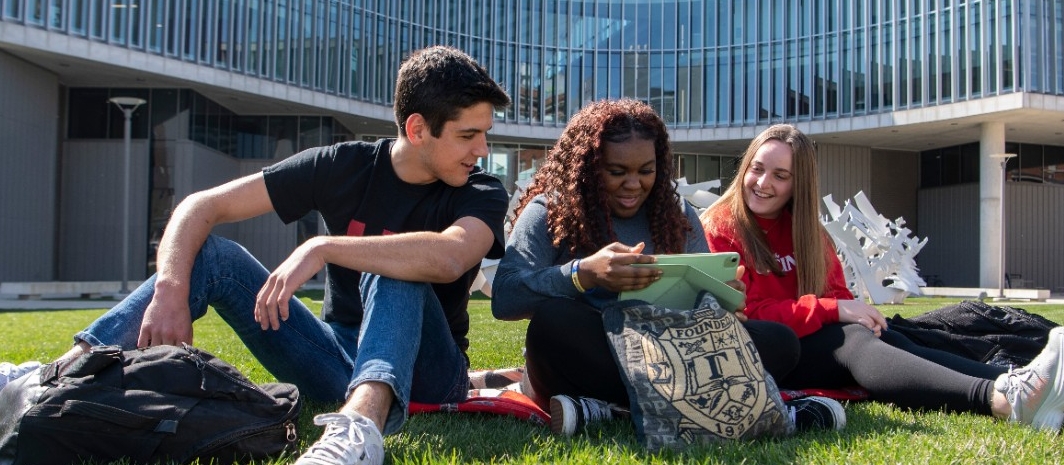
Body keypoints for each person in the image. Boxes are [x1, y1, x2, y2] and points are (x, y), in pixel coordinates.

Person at [51, 46, 512, 465]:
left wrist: (322, 246)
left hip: (431, 373)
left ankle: (361, 432)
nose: (482, 150)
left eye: (485, 134)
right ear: (417, 128)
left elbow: (451, 256)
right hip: (334, 358)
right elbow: (201, 206)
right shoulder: (341, 166)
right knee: (215, 257)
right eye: (468, 134)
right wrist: (171, 288)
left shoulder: (482, 190)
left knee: (395, 265)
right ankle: (64, 373)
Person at [491, 99, 845, 437]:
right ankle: (676, 407)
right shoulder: (549, 211)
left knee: (780, 342)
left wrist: (724, 301)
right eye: (617, 172)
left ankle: (609, 409)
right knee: (552, 323)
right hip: (595, 350)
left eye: (646, 170)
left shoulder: (675, 216)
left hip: (669, 354)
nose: (634, 184)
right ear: (588, 166)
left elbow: (708, 316)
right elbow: (506, 298)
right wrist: (582, 274)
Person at [699, 123, 1064, 430]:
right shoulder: (717, 228)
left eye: (780, 176)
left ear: (799, 184)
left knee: (884, 336)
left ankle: (1010, 384)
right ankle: (1002, 399)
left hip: (810, 342)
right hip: (763, 352)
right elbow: (747, 314)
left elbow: (837, 294)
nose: (763, 182)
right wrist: (831, 310)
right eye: (756, 168)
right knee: (854, 343)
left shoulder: (806, 232)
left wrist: (845, 311)